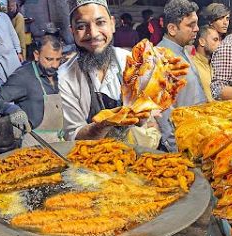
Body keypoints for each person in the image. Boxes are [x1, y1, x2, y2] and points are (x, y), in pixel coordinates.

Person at [58, 0, 160, 148]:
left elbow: (148, 118)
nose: (93, 34)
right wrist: (103, 124)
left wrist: (145, 116)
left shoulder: (131, 61)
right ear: (72, 31)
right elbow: (75, 138)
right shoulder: (65, 78)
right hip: (92, 163)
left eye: (100, 23)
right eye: (81, 26)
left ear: (112, 24)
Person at [0, 35, 63, 147]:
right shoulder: (23, 76)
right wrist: (12, 109)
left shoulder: (58, 74)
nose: (55, 65)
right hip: (35, 145)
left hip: (59, 141)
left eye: (58, 59)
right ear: (37, 55)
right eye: (49, 59)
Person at [156, 0, 207, 152]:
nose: (197, 29)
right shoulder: (161, 57)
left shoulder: (183, 51)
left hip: (196, 138)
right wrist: (176, 149)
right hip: (182, 145)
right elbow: (163, 111)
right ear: (172, 28)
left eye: (196, 24)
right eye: (191, 25)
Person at [0, 0, 23, 87]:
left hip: (12, 57)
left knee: (19, 83)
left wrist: (18, 52)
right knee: (2, 89)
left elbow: (12, 34)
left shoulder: (4, 17)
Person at [192, 25, 221, 102]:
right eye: (215, 40)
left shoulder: (213, 64)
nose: (219, 44)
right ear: (202, 42)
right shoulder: (192, 65)